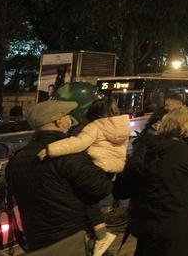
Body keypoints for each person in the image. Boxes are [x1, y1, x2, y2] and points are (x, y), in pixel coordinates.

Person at [6, 100, 113, 252]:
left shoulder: (17, 159)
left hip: (37, 242)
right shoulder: (69, 154)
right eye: (68, 117)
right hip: (72, 241)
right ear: (59, 121)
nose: (70, 121)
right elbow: (101, 188)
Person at [114, 107, 188, 256]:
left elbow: (121, 189)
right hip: (182, 230)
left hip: (150, 231)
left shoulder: (147, 149)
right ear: (184, 127)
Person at [37, 99, 130, 255]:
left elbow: (79, 143)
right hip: (111, 169)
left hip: (97, 166)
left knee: (87, 200)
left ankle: (101, 236)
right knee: (91, 201)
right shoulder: (121, 126)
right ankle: (99, 235)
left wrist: (51, 148)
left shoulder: (96, 126)